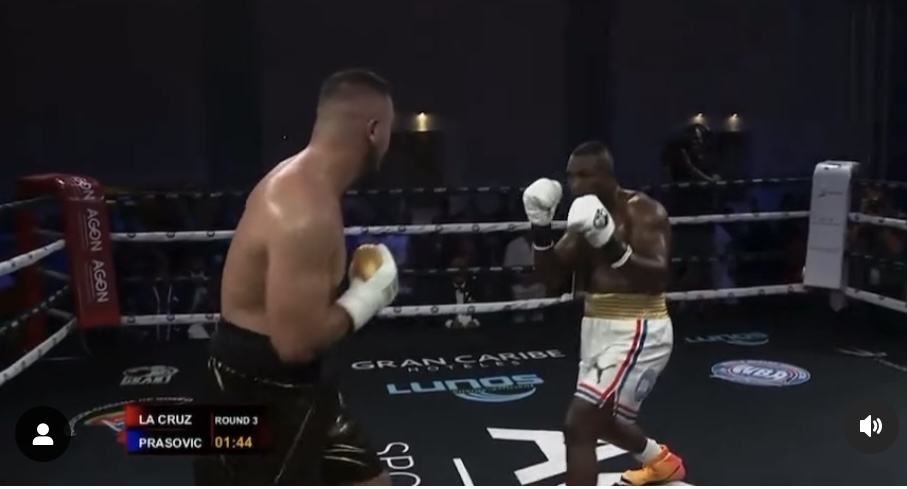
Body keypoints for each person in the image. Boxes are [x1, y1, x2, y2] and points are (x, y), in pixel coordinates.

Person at [193, 69, 399, 485]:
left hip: (302, 380)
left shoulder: (308, 185)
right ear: (374, 130)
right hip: (258, 387)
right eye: (390, 130)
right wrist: (367, 297)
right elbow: (296, 343)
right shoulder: (304, 211)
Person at [523, 141, 685, 486]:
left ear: (608, 175)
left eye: (585, 175)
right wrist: (540, 227)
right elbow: (551, 277)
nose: (576, 184)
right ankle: (661, 462)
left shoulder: (643, 212)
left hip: (640, 326)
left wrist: (610, 242)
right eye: (571, 177)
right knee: (603, 420)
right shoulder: (585, 219)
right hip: (596, 327)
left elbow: (658, 277)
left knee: (579, 424)